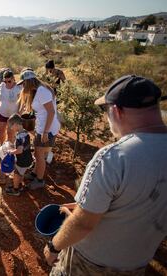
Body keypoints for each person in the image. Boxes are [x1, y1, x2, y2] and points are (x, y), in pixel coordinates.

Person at [44, 75, 167, 275]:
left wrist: (53, 246)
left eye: (105, 110)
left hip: (88, 264)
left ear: (116, 111)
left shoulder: (114, 156)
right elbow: (137, 202)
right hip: (135, 266)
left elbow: (83, 224)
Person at [17, 70, 60, 190]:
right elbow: (42, 110)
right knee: (37, 152)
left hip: (48, 129)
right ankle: (35, 173)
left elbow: (51, 112)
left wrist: (46, 132)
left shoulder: (42, 91)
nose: (23, 86)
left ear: (29, 81)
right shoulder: (38, 90)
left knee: (40, 155)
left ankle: (39, 180)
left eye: (24, 83)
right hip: (42, 127)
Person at [5, 114, 33, 196]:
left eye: (11, 126)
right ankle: (20, 185)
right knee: (21, 173)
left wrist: (11, 152)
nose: (10, 128)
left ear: (16, 125)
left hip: (22, 160)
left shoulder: (19, 137)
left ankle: (15, 189)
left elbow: (19, 151)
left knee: (17, 174)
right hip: (27, 158)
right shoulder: (25, 133)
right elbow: (25, 146)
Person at [0, 70, 21, 145]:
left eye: (9, 81)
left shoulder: (18, 88)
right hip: (2, 113)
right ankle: (2, 147)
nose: (7, 84)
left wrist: (19, 113)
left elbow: (21, 102)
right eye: (5, 81)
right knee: (1, 132)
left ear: (13, 79)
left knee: (10, 133)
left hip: (13, 115)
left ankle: (9, 150)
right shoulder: (2, 86)